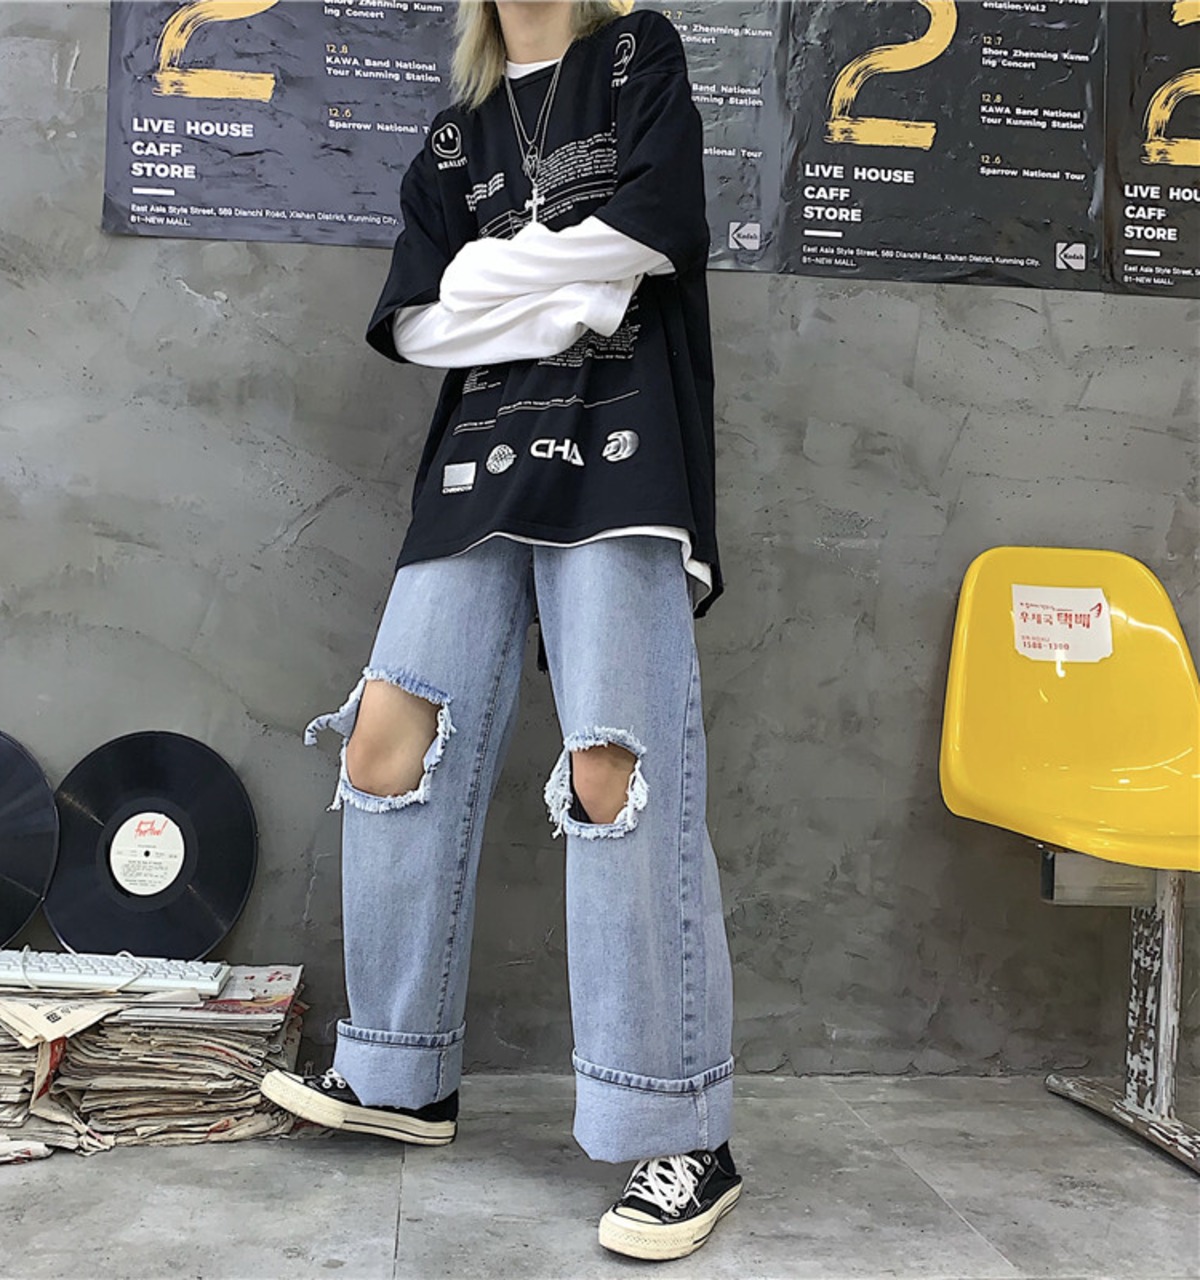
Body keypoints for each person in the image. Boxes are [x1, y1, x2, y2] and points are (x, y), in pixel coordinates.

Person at [262, 0, 740, 1261]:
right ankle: (399, 1070)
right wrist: (562, 290)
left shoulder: (634, 53)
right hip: (475, 463)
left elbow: (657, 230)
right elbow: (418, 323)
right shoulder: (454, 134)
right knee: (385, 747)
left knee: (612, 778)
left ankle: (681, 1129)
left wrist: (494, 274)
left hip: (619, 453)